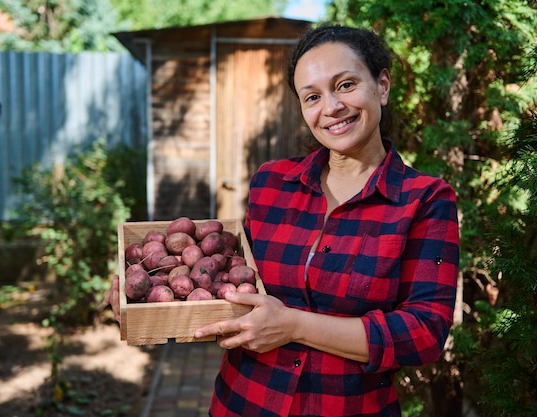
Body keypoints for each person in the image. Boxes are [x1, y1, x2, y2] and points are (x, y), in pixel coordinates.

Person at [107, 24, 459, 417]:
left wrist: (294, 326)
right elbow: (233, 288)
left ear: (382, 86)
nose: (331, 107)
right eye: (312, 96)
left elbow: (424, 334)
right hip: (241, 403)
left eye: (345, 85)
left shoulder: (425, 200)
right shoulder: (272, 183)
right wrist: (150, 305)